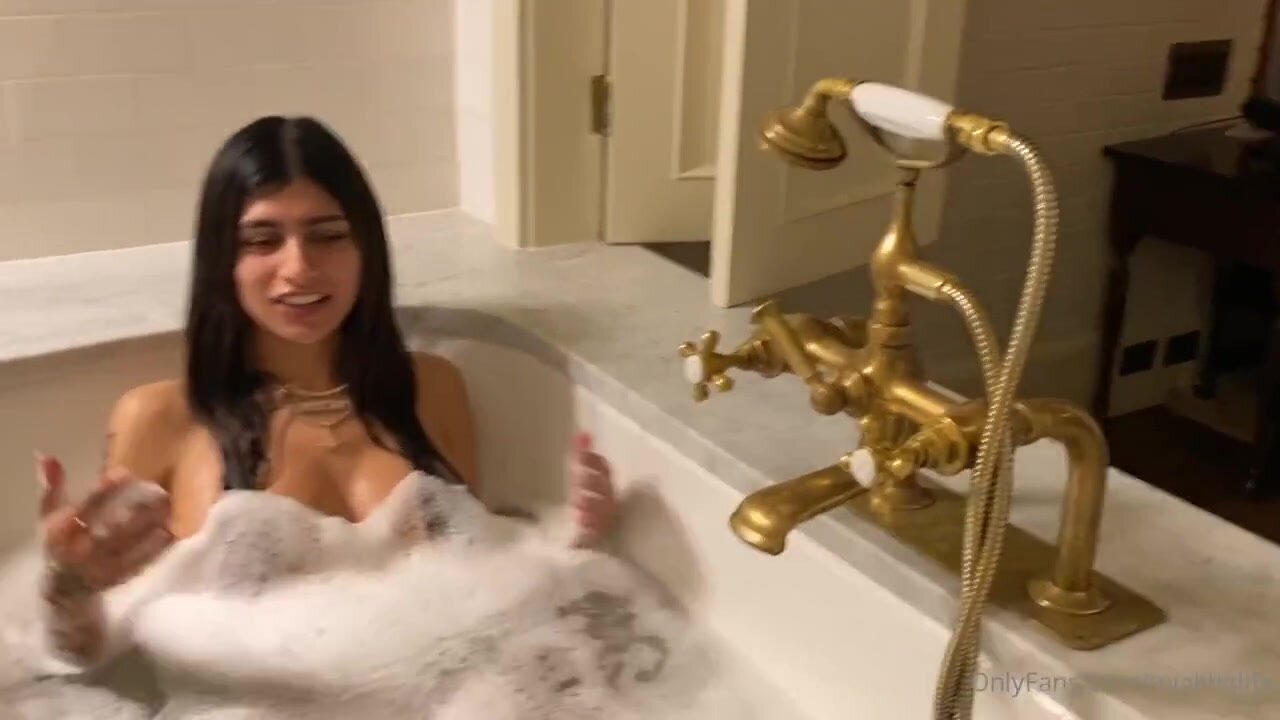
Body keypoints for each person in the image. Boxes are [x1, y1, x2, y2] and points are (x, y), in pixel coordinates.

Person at [34, 115, 617, 667]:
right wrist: (69, 586)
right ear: (222, 260)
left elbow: (482, 584)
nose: (299, 268)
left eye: (328, 235)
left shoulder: (431, 388)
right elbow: (94, 656)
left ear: (365, 249)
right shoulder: (162, 418)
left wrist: (571, 548)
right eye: (262, 240)